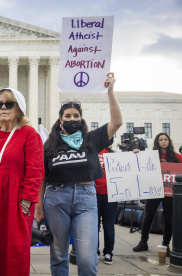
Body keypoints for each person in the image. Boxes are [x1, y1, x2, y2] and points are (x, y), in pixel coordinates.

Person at [35, 73, 122, 276]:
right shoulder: (50, 145)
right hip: (56, 198)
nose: (72, 119)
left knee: (86, 258)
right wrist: (39, 207)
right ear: (61, 119)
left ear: (81, 118)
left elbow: (117, 122)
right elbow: (42, 177)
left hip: (86, 198)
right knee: (58, 255)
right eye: (68, 116)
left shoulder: (92, 139)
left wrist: (110, 91)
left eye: (76, 115)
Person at [0, 87, 45, 276]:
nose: (2, 107)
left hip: (13, 204)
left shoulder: (29, 134)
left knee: (12, 254)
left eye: (8, 104)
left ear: (19, 109)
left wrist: (26, 202)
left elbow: (35, 172)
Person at [133, 133, 182, 256]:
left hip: (169, 191)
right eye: (161, 140)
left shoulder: (177, 157)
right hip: (153, 190)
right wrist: (136, 154)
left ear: (169, 141)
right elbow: (139, 164)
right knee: (148, 215)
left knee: (168, 218)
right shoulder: (151, 156)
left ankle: (166, 245)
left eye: (165, 139)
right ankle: (143, 241)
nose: (163, 142)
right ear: (157, 142)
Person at [96, 145, 117, 265]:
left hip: (111, 194)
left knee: (109, 226)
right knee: (94, 225)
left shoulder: (113, 153)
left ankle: (108, 252)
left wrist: (134, 154)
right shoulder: (92, 150)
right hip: (94, 194)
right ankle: (95, 251)